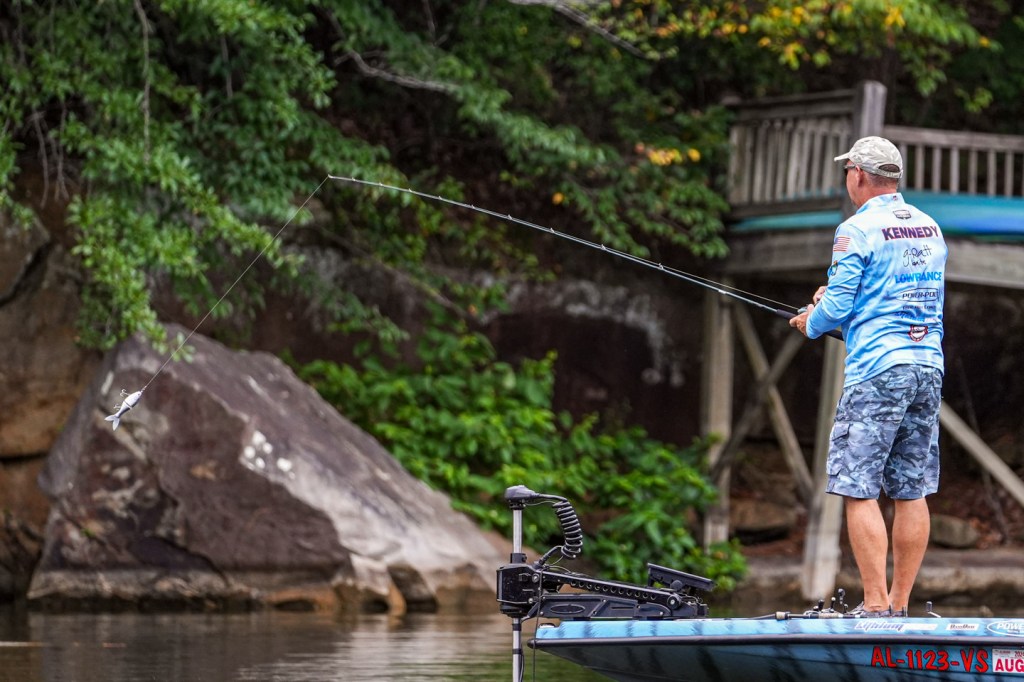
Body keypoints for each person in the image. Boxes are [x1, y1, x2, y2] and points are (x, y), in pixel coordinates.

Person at [789, 136, 947, 617]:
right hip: (927, 366)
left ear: (858, 173)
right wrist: (836, 302)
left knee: (858, 487)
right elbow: (899, 292)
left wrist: (811, 321)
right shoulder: (929, 227)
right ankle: (899, 604)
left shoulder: (855, 229)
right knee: (911, 488)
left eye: (848, 171)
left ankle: (876, 606)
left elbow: (837, 308)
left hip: (877, 370)